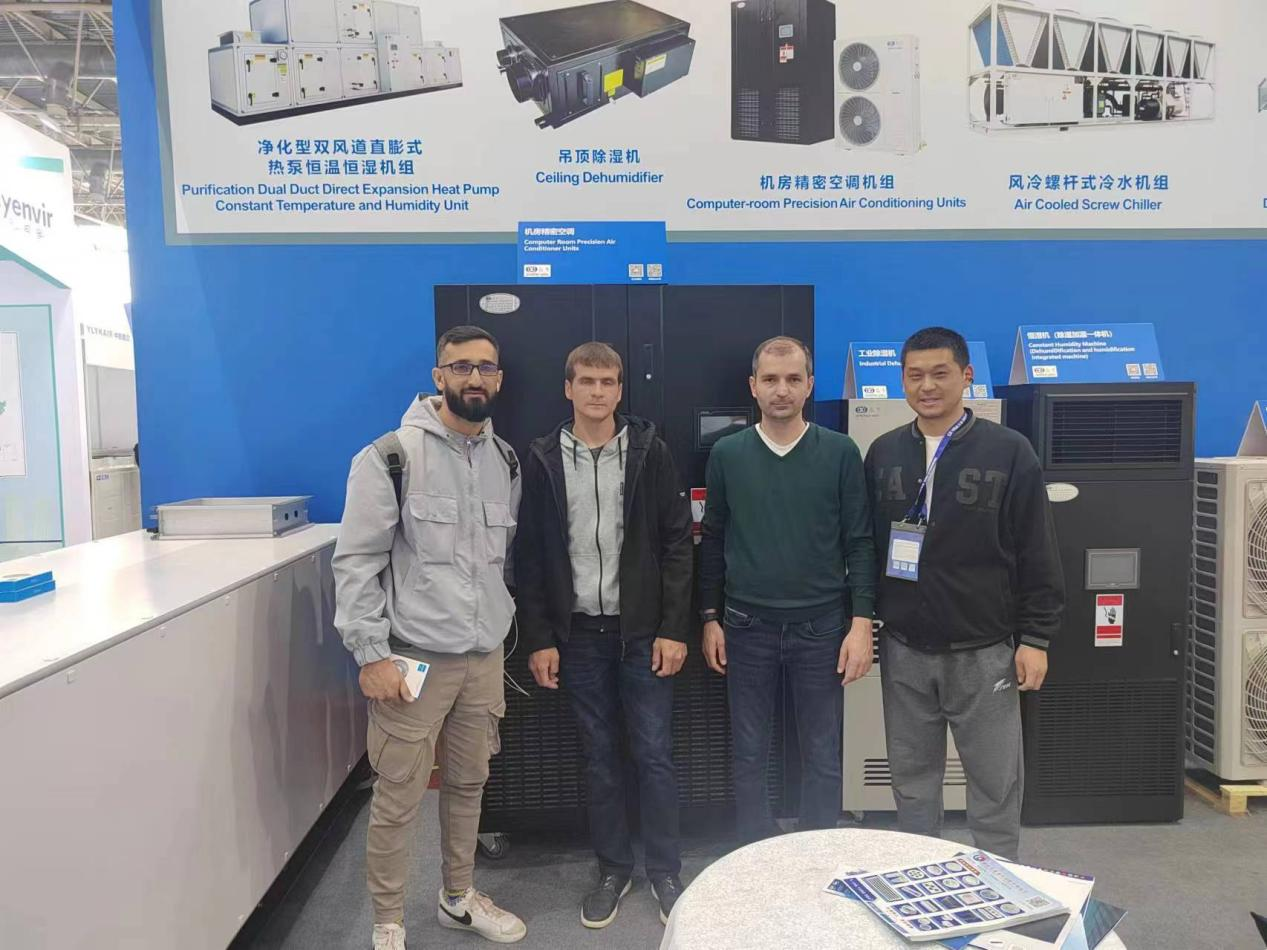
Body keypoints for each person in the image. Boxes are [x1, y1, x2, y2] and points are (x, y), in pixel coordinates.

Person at [332, 325, 527, 950]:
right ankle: (388, 922)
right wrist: (371, 655)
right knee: (398, 795)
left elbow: (500, 561)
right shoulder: (391, 456)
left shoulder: (505, 461)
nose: (475, 378)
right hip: (412, 659)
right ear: (439, 376)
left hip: (483, 657)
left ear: (499, 379)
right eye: (461, 366)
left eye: (486, 367)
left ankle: (458, 898)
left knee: (469, 785)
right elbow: (356, 563)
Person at [864, 326, 1064, 861]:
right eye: (915, 375)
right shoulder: (884, 452)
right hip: (904, 647)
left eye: (940, 373)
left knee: (995, 784)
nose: (927, 386)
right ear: (903, 380)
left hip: (985, 650)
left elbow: (1038, 550)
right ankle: (920, 876)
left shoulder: (1009, 451)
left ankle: (999, 882)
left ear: (967, 376)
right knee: (912, 782)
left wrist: (1036, 638)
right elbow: (868, 547)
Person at [517, 342, 694, 929]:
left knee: (655, 754)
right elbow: (531, 556)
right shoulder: (542, 458)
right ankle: (614, 870)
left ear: (620, 389)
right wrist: (540, 637)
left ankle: (665, 871)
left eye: (608, 382)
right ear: (567, 388)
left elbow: (677, 545)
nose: (598, 391)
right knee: (599, 758)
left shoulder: (650, 452)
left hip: (642, 634)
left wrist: (673, 628)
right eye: (587, 381)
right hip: (578, 637)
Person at [699, 336, 876, 843]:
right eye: (771, 379)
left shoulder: (840, 452)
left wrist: (861, 624)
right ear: (753, 386)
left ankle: (815, 857)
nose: (782, 390)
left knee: (822, 753)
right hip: (745, 626)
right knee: (749, 751)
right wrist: (709, 617)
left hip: (822, 628)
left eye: (793, 379)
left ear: (810, 385)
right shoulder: (728, 454)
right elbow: (712, 539)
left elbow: (860, 541)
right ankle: (755, 854)